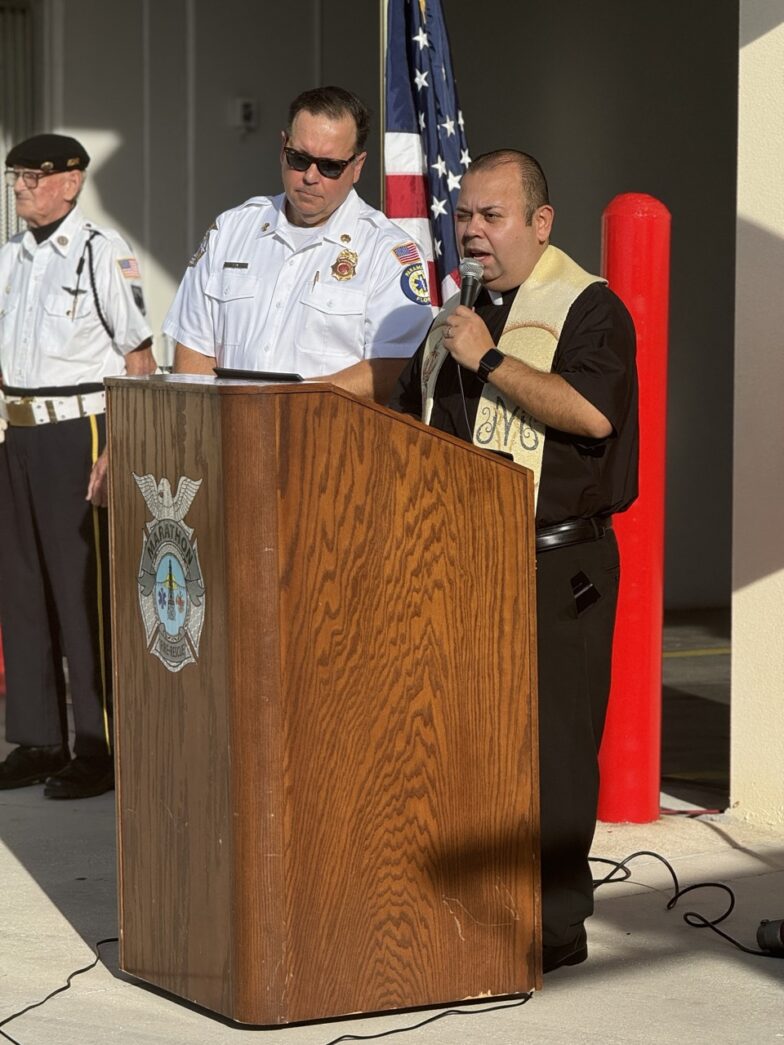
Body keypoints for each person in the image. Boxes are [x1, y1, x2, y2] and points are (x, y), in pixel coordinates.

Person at [388, 150, 639, 973]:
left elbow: (593, 414)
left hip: (554, 564)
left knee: (554, 748)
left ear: (541, 222)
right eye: (464, 216)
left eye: (491, 217)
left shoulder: (591, 308)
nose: (472, 233)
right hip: (461, 559)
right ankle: (474, 902)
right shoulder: (458, 311)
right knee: (466, 737)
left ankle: (555, 925)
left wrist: (490, 359)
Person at [0, 133, 155, 799]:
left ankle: (99, 743)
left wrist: (120, 447)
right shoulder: (11, 257)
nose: (20, 188)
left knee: (82, 592)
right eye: (14, 177)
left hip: (79, 431)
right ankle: (39, 738)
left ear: (72, 180)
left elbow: (139, 356)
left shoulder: (100, 251)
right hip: (19, 433)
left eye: (32, 176)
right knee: (23, 588)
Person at [164, 86, 433, 400]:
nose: (310, 176)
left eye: (330, 166)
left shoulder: (386, 251)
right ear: (283, 149)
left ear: (357, 167)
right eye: (299, 159)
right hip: (231, 437)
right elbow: (193, 347)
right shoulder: (231, 230)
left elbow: (393, 367)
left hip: (327, 440)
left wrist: (290, 405)